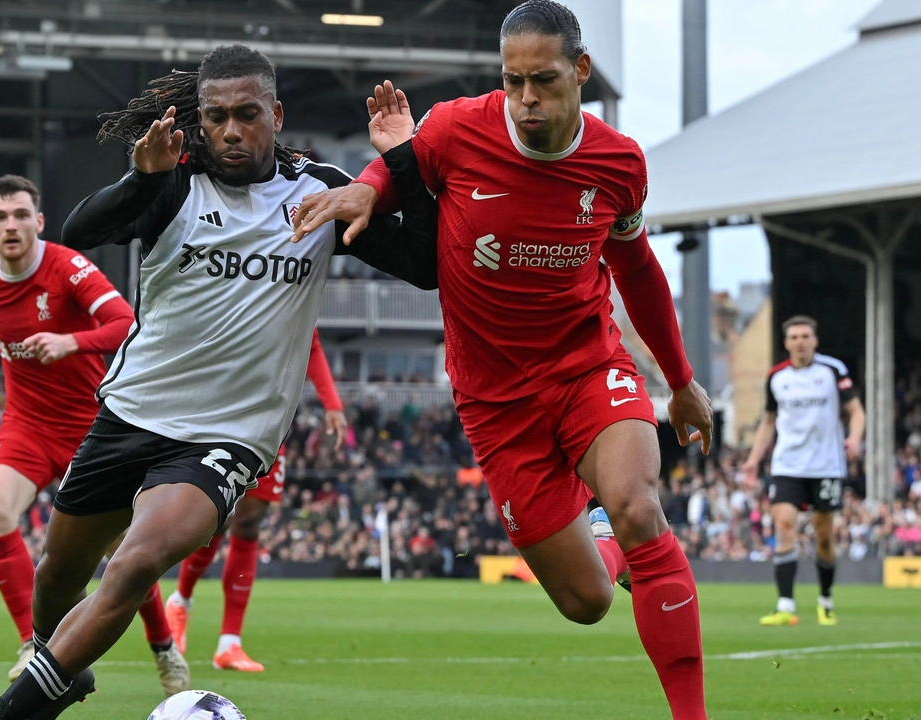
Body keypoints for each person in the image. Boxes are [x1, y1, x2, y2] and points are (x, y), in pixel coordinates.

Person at [0, 43, 436, 720]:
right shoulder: (176, 182)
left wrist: (402, 159)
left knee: (133, 564)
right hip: (132, 412)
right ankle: (57, 665)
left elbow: (425, 265)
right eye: (216, 117)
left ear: (275, 114)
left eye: (247, 114)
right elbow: (77, 229)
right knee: (57, 575)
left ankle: (9, 713)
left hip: (228, 437)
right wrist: (140, 178)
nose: (231, 130)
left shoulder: (318, 192)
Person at [291, 3, 713, 717]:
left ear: (579, 71)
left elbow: (637, 269)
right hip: (494, 401)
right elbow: (398, 171)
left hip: (587, 367)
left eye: (543, 81)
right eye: (513, 81)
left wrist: (679, 381)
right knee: (587, 602)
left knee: (641, 506)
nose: (526, 100)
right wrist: (366, 183)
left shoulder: (617, 162)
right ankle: (601, 536)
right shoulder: (460, 127)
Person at [0, 174, 188, 693]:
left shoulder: (68, 268)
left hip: (90, 429)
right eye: (1, 216)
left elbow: (125, 321)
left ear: (38, 222)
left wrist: (71, 342)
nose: (11, 225)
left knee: (122, 552)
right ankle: (33, 644)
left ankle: (162, 645)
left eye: (21, 215)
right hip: (25, 424)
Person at [165, 328, 348, 671]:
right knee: (220, 514)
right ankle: (181, 600)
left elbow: (312, 343)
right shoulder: (240, 282)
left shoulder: (295, 284)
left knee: (249, 523)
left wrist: (332, 404)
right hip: (224, 413)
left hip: (272, 421)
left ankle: (229, 644)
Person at [740, 315, 865, 626]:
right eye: (794, 337)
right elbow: (768, 422)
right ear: (786, 343)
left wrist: (855, 437)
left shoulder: (833, 370)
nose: (800, 342)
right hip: (787, 464)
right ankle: (786, 605)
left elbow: (856, 410)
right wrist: (754, 459)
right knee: (784, 524)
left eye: (805, 336)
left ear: (815, 340)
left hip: (826, 465)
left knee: (824, 536)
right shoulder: (776, 378)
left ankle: (825, 599)